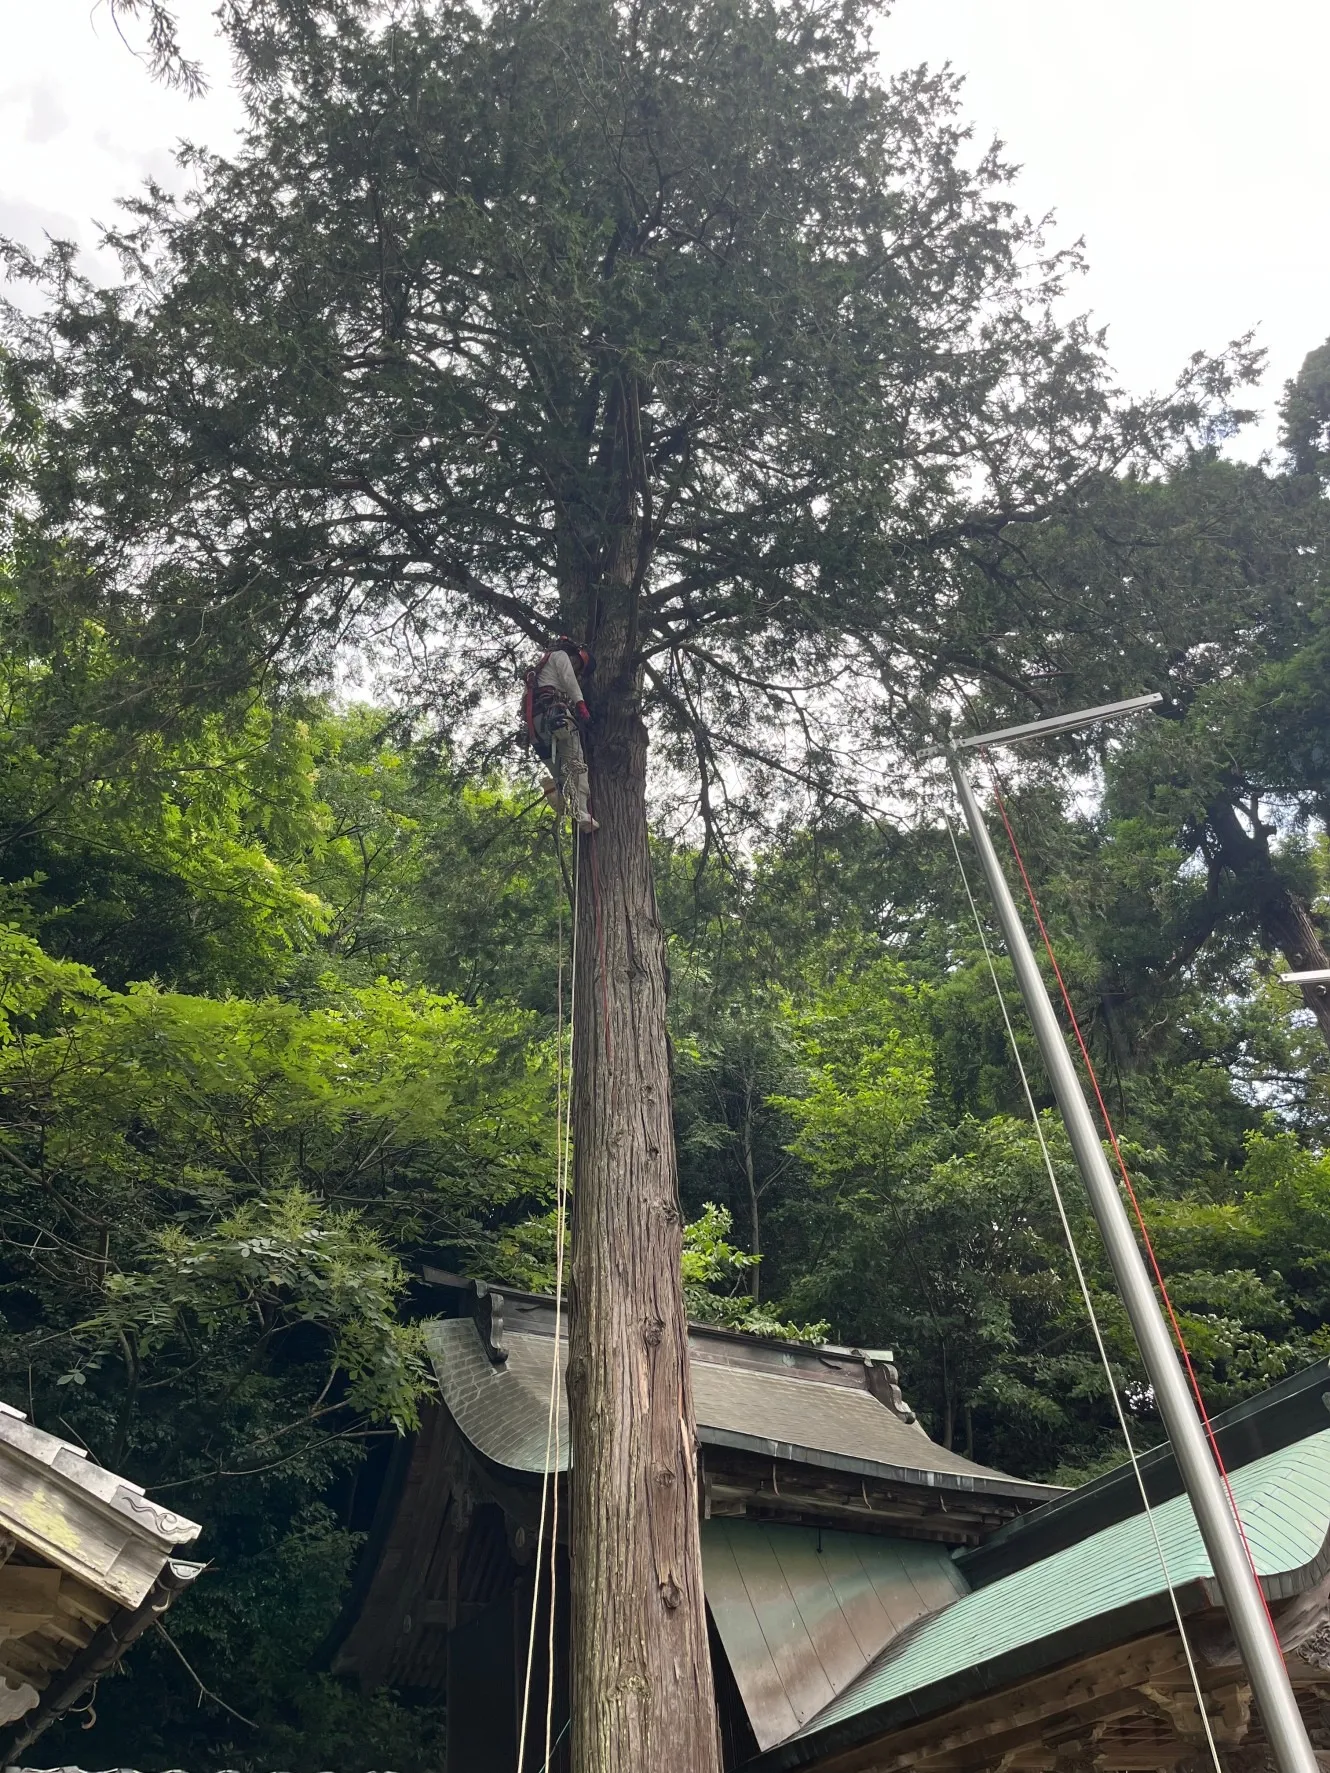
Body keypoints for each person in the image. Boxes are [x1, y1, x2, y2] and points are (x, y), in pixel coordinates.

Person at [523, 639, 598, 833]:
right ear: (574, 656)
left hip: (536, 728)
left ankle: (559, 797)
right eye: (578, 665)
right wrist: (581, 705)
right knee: (576, 761)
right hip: (555, 716)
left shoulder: (540, 671)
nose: (576, 669)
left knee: (559, 773)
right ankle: (582, 814)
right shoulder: (560, 656)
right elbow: (569, 680)